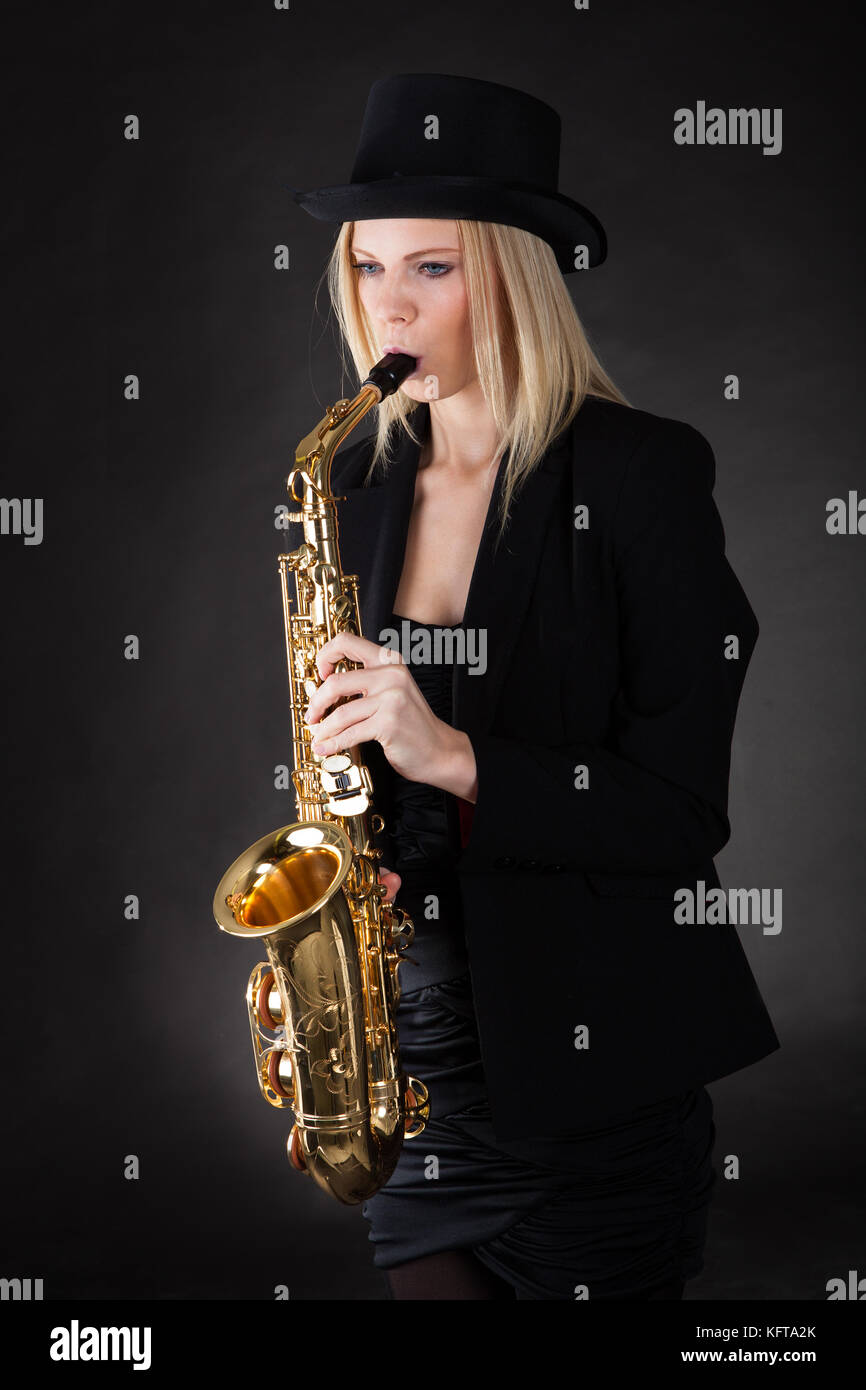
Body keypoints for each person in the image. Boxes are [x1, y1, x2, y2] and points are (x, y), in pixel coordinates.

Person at [290, 73, 780, 1301]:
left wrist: (450, 755)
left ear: (513, 274)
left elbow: (677, 813)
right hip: (416, 1064)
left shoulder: (640, 473)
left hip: (590, 1075)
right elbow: (363, 761)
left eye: (433, 270)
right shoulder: (353, 480)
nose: (387, 306)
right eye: (367, 267)